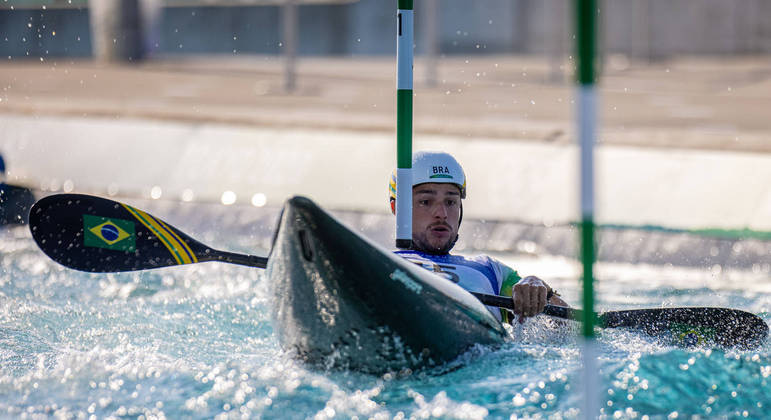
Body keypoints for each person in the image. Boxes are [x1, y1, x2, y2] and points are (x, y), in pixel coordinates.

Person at [389, 151, 568, 324]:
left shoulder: (491, 271)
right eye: (426, 202)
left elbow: (571, 333)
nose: (442, 214)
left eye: (451, 202)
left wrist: (540, 289)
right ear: (398, 209)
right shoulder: (379, 262)